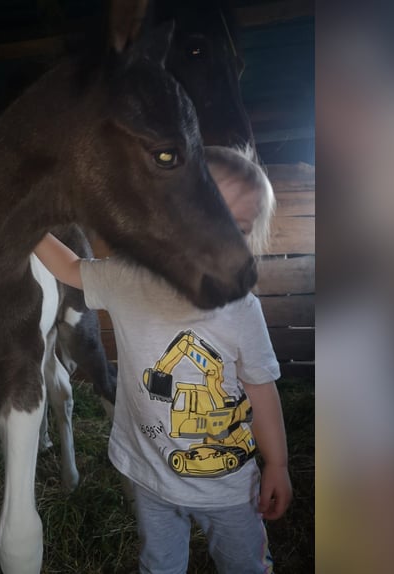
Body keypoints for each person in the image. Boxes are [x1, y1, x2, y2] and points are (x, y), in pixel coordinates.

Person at [34, 147, 291, 574]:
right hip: (150, 474)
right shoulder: (126, 278)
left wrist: (277, 464)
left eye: (238, 230)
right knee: (158, 565)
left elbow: (262, 391)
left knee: (244, 563)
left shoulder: (242, 311)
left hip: (228, 489)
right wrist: (29, 226)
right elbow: (71, 268)